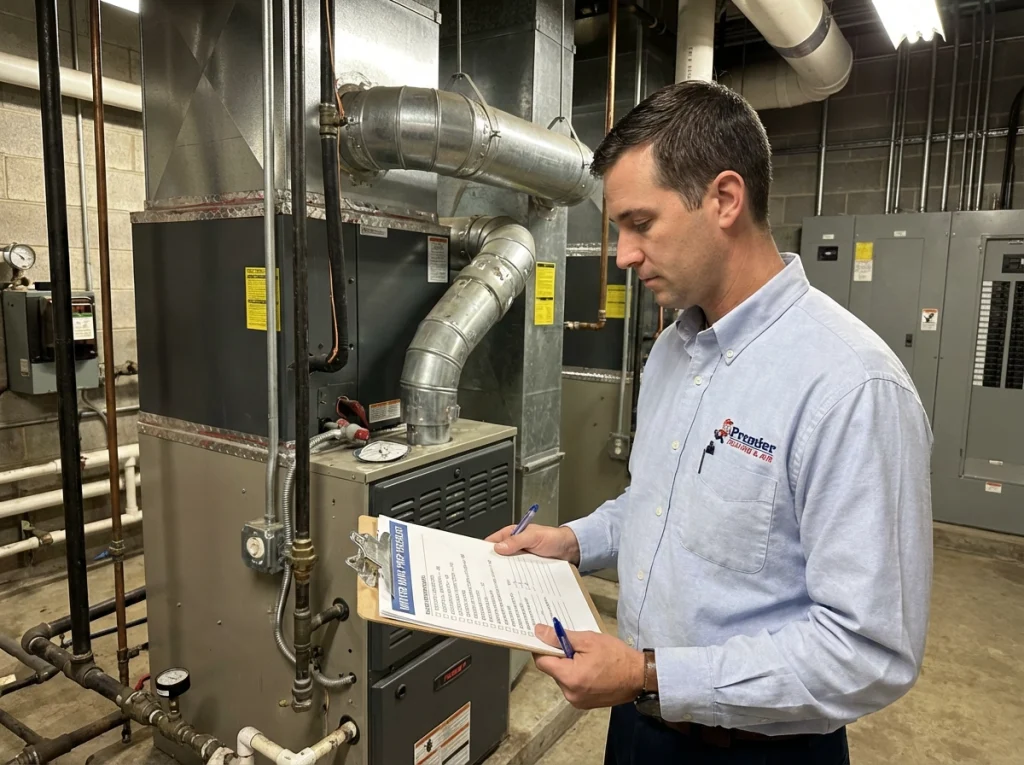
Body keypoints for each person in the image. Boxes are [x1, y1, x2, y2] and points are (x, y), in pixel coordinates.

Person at [487, 81, 933, 764]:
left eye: (640, 223)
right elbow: (657, 503)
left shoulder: (850, 386)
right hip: (639, 722)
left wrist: (648, 672)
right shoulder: (673, 349)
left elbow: (867, 650)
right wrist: (572, 540)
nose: (622, 256)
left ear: (725, 199)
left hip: (758, 747)